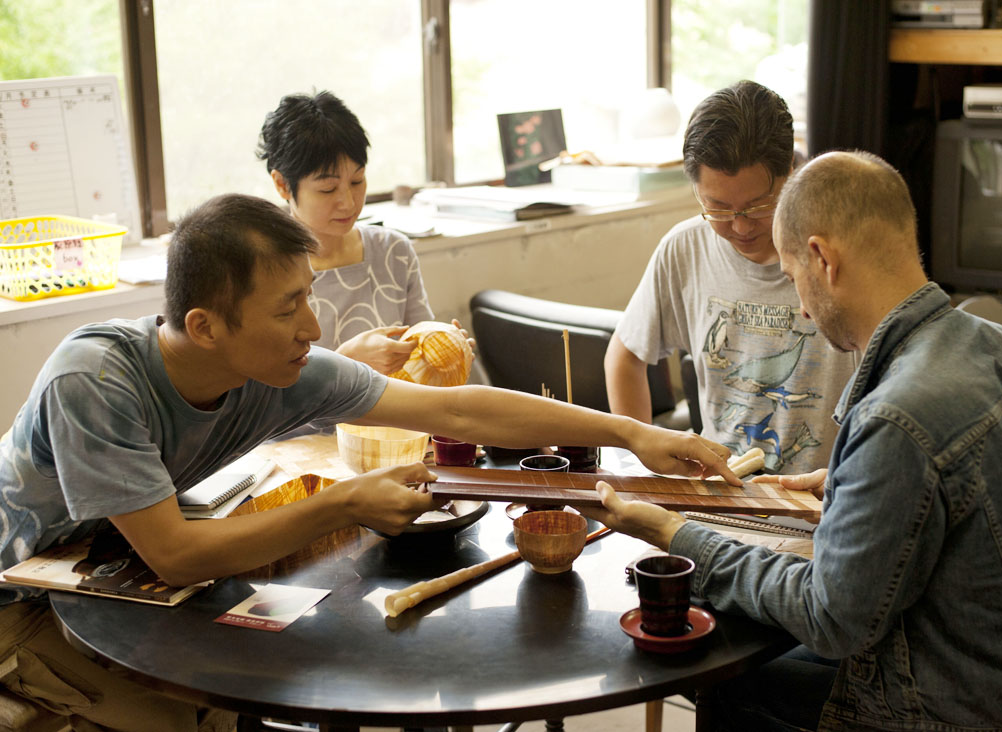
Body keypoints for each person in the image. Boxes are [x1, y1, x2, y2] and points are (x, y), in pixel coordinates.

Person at [0, 193, 736, 731]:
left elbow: (458, 410)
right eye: (288, 308)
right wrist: (345, 503)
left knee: (241, 694)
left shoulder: (275, 368)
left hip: (103, 580)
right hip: (16, 602)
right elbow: (178, 555)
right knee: (183, 719)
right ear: (206, 325)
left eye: (308, 298)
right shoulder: (95, 380)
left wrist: (631, 434)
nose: (313, 328)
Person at [586, 151, 1002, 731]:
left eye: (791, 275)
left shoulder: (895, 417)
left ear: (822, 259)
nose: (801, 305)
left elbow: (831, 619)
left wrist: (678, 536)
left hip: (977, 712)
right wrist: (857, 484)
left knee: (731, 684)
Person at [605, 80, 856, 473]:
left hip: (821, 513)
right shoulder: (685, 248)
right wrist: (643, 463)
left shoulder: (840, 252)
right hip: (717, 505)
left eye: (757, 206)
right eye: (718, 208)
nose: (740, 228)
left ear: (790, 172)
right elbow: (625, 355)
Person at [257, 90, 465, 376]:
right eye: (328, 189)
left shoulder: (393, 252)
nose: (349, 202)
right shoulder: (262, 270)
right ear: (282, 184)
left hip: (397, 418)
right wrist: (345, 362)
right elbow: (262, 398)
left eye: (357, 181)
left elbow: (420, 359)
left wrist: (444, 347)